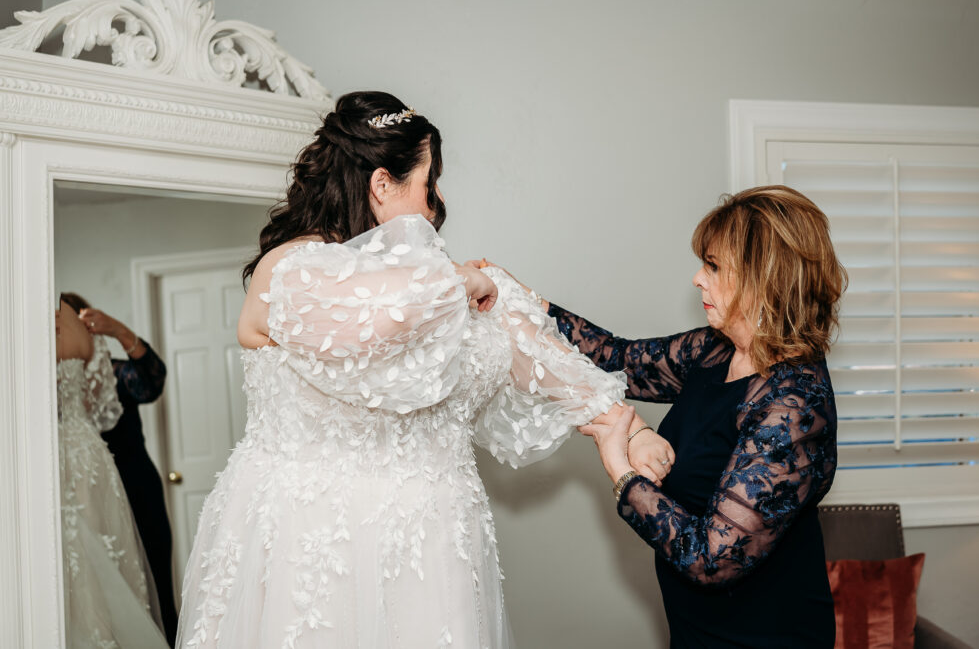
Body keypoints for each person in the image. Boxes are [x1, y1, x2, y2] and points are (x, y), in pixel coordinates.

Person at [175, 91, 674, 648]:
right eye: (427, 181)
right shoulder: (293, 268)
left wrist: (621, 423)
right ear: (383, 185)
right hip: (316, 539)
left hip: (436, 541)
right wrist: (459, 284)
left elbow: (535, 354)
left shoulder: (438, 282)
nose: (436, 202)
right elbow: (366, 323)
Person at [481, 186, 845, 647]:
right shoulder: (714, 351)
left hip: (764, 635)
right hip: (697, 629)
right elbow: (614, 357)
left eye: (713, 266)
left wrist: (622, 471)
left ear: (762, 280)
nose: (697, 278)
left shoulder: (795, 406)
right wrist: (515, 296)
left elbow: (712, 559)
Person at [59, 292, 178, 645]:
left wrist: (119, 331)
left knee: (152, 581)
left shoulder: (113, 373)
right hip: (81, 493)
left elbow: (152, 381)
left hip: (135, 485)